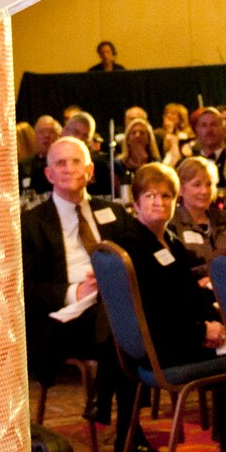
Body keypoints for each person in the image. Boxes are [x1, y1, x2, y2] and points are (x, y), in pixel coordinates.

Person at [102, 162, 226, 452]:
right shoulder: (133, 245)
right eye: (150, 196)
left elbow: (189, 293)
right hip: (164, 346)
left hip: (174, 337)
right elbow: (156, 314)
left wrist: (216, 321)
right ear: (135, 203)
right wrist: (202, 331)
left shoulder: (169, 240)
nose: (160, 202)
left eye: (166, 196)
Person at [21, 137, 131, 428]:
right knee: (124, 322)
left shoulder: (114, 213)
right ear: (49, 174)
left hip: (109, 311)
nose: (69, 169)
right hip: (62, 319)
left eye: (76, 161)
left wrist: (112, 277)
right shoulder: (31, 223)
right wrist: (74, 292)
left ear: (90, 170)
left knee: (121, 316)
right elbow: (26, 289)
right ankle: (121, 422)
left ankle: (113, 414)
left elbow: (136, 261)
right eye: (61, 163)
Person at [167, 156, 226, 272]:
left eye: (209, 184)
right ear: (180, 189)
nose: (205, 191)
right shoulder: (171, 224)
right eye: (197, 185)